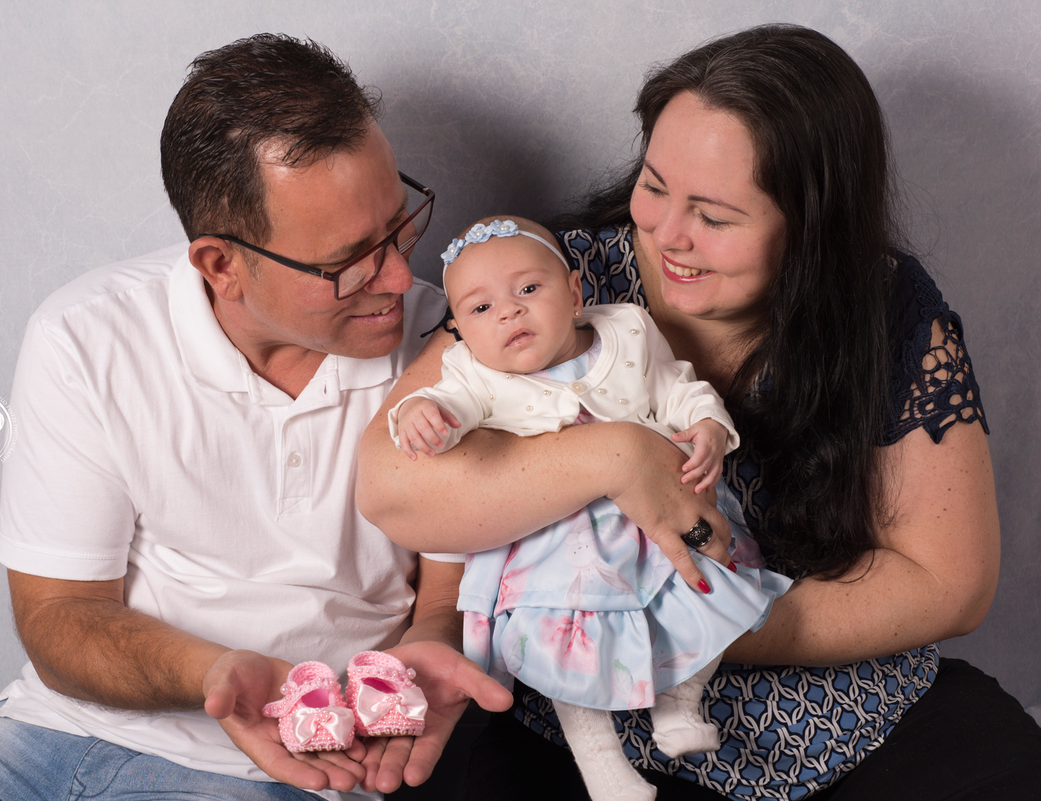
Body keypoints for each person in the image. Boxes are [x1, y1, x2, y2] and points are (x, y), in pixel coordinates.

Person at [357, 23, 1041, 800]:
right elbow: (391, 485)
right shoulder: (547, 280)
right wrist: (615, 458)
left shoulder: (888, 309)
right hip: (596, 693)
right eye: (653, 185)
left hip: (838, 695)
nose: (667, 234)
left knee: (1004, 762)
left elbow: (950, 582)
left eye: (715, 216)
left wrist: (696, 622)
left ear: (811, 224)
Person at [0, 34, 509, 801]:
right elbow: (61, 614)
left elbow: (442, 599)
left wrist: (421, 663)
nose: (400, 275)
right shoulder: (86, 335)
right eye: (349, 260)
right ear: (221, 265)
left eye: (401, 225)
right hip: (46, 732)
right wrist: (216, 674)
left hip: (290, 767)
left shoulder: (457, 344)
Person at [389, 215, 791, 801]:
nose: (508, 312)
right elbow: (443, 410)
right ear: (462, 331)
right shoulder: (472, 375)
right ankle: (602, 766)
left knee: (711, 582)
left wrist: (704, 423)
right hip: (553, 541)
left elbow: (676, 384)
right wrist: (419, 414)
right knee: (563, 641)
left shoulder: (626, 330)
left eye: (528, 289)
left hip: (655, 515)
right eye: (479, 309)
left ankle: (681, 704)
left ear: (576, 293)